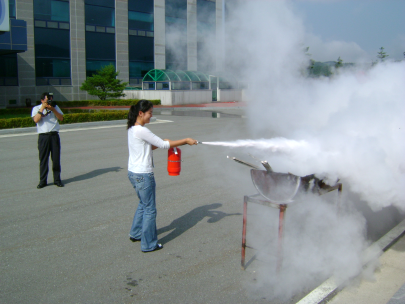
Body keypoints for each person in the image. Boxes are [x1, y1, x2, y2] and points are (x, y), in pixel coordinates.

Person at [127, 100, 197, 252]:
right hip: (143, 175)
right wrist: (186, 140)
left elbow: (148, 147)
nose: (151, 116)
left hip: (133, 173)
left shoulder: (133, 129)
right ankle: (148, 244)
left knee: (143, 204)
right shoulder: (142, 130)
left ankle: (136, 233)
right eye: (150, 113)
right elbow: (164, 145)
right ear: (141, 113)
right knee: (150, 209)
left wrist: (162, 142)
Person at [31, 92, 64, 189]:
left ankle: (57, 180)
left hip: (54, 136)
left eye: (51, 98)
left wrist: (53, 109)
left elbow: (61, 118)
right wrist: (42, 108)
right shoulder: (36, 108)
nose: (49, 100)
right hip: (43, 137)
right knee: (43, 159)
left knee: (56, 159)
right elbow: (36, 120)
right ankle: (43, 181)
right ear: (42, 100)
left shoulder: (55, 107)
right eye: (47, 99)